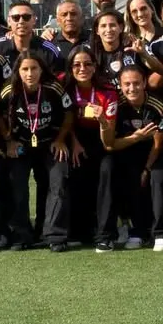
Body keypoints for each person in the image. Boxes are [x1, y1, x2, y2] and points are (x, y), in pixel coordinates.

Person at [0, 50, 73, 251]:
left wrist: (60, 139)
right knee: (18, 186)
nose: (30, 73)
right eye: (25, 69)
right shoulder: (9, 90)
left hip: (49, 143)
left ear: (41, 69)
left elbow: (69, 112)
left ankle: (54, 236)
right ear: (18, 71)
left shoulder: (53, 87)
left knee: (58, 183)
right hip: (21, 144)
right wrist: (9, 140)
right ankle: (21, 235)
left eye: (34, 68)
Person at [107, 63, 163, 249]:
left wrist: (147, 168)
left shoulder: (157, 107)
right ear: (120, 85)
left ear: (144, 83)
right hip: (127, 149)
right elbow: (110, 144)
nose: (131, 88)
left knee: (157, 179)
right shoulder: (115, 104)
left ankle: (161, 233)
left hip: (154, 154)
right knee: (126, 177)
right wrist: (135, 138)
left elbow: (159, 144)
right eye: (127, 84)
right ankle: (138, 230)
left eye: (136, 83)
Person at [63, 46, 118, 248]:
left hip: (103, 139)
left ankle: (106, 235)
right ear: (70, 68)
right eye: (76, 64)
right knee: (74, 173)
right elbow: (61, 120)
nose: (82, 68)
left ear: (95, 67)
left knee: (107, 172)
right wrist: (73, 141)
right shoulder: (64, 86)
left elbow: (110, 137)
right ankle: (80, 231)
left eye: (87, 64)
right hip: (74, 139)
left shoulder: (108, 91)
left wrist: (103, 119)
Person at [0, 1, 61, 74]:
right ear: (9, 21)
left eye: (26, 17)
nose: (21, 21)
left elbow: (55, 81)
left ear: (33, 20)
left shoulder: (49, 51)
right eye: (16, 17)